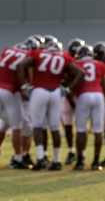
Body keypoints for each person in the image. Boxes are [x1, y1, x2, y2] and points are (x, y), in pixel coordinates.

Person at [17, 38, 85, 170]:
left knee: (37, 126)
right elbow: (80, 72)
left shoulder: (38, 53)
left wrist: (23, 87)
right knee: (55, 127)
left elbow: (21, 66)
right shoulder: (64, 56)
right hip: (55, 92)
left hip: (40, 90)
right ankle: (57, 160)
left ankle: (41, 157)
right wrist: (69, 89)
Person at [73, 44, 105, 170]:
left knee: (81, 130)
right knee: (98, 130)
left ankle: (80, 160)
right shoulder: (100, 64)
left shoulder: (76, 63)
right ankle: (95, 162)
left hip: (83, 95)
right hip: (98, 95)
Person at [62, 38, 85, 165]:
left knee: (73, 126)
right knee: (71, 126)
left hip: (77, 95)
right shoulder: (68, 61)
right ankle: (75, 152)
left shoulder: (67, 60)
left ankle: (76, 153)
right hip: (74, 95)